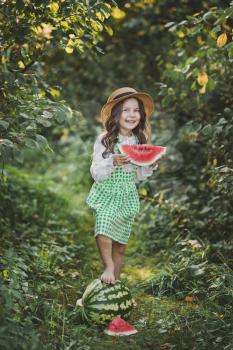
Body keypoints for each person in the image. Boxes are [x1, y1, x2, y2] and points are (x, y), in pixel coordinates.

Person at [86, 87, 164, 285]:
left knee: (120, 245)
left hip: (126, 194)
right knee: (102, 226)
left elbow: (138, 175)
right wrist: (113, 161)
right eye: (126, 110)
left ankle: (115, 283)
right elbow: (95, 172)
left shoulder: (139, 141)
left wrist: (150, 164)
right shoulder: (104, 139)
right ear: (116, 114)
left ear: (141, 115)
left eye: (136, 110)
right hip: (106, 192)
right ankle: (108, 267)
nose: (132, 114)